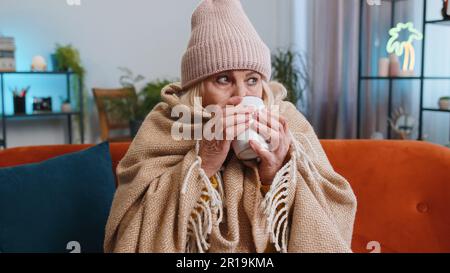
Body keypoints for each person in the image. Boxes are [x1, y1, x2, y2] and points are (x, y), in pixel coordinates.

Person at [104, 0, 357, 253]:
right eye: (223, 79)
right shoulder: (167, 124)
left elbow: (334, 206)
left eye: (252, 79)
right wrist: (203, 162)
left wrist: (275, 173)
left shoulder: (286, 119)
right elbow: (131, 226)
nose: (241, 95)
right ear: (198, 88)